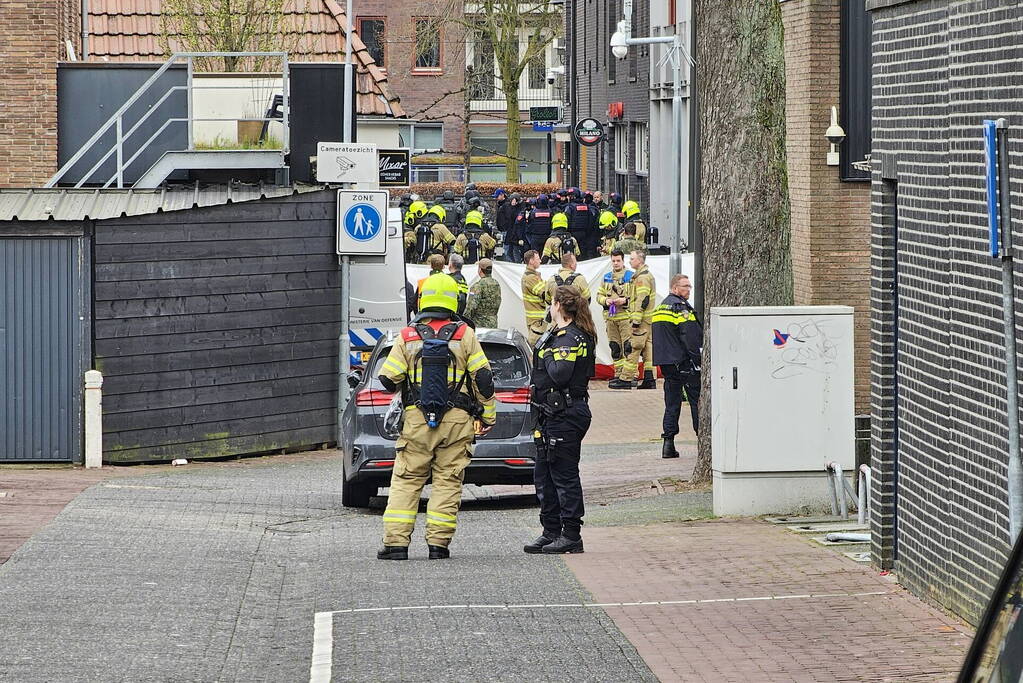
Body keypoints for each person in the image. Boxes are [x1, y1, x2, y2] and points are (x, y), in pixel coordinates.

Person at [376, 272, 497, 560]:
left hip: (417, 422)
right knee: (448, 481)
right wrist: (488, 417)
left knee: (406, 480)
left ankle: (396, 545)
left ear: (422, 300)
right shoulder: (465, 335)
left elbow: (388, 379)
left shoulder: (407, 336)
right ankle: (438, 546)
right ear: (456, 300)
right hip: (457, 421)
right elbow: (483, 379)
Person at [524, 286, 596, 555]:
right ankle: (551, 531)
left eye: (551, 303)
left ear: (558, 305)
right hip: (547, 413)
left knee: (564, 475)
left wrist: (550, 353)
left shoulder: (569, 338)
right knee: (544, 474)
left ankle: (571, 534)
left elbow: (560, 374)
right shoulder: (555, 334)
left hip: (565, 413)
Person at [652, 274, 702, 458]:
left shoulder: (659, 309)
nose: (688, 289)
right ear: (674, 288)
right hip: (685, 363)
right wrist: (698, 360)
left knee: (672, 404)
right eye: (684, 286)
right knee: (697, 402)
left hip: (667, 364)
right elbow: (690, 338)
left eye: (689, 286)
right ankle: (703, 440)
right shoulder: (681, 309)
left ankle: (668, 443)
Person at [597, 250, 634, 389]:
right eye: (613, 261)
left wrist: (624, 300)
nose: (616, 263)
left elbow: (635, 298)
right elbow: (598, 295)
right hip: (611, 318)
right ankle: (618, 374)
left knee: (628, 348)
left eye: (618, 260)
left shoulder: (631, 276)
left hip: (625, 318)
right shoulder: (606, 277)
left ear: (623, 261)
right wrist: (605, 300)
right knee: (615, 348)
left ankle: (631, 375)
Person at [625, 249, 657, 389]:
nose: (630, 261)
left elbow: (642, 300)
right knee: (648, 348)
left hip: (641, 320)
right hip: (648, 319)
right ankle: (650, 378)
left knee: (634, 346)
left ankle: (626, 378)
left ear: (640, 260)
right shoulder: (644, 275)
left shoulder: (642, 278)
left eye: (632, 259)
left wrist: (636, 321)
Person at [464, 258, 502, 328]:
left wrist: (465, 321)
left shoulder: (477, 286)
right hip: (493, 323)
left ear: (480, 270)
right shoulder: (496, 284)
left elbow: (471, 307)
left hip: (479, 325)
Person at [521, 250, 548, 346]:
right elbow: (545, 293)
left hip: (537, 320)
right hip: (537, 321)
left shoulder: (533, 276)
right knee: (536, 347)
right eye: (538, 259)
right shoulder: (530, 278)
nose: (540, 261)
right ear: (531, 261)